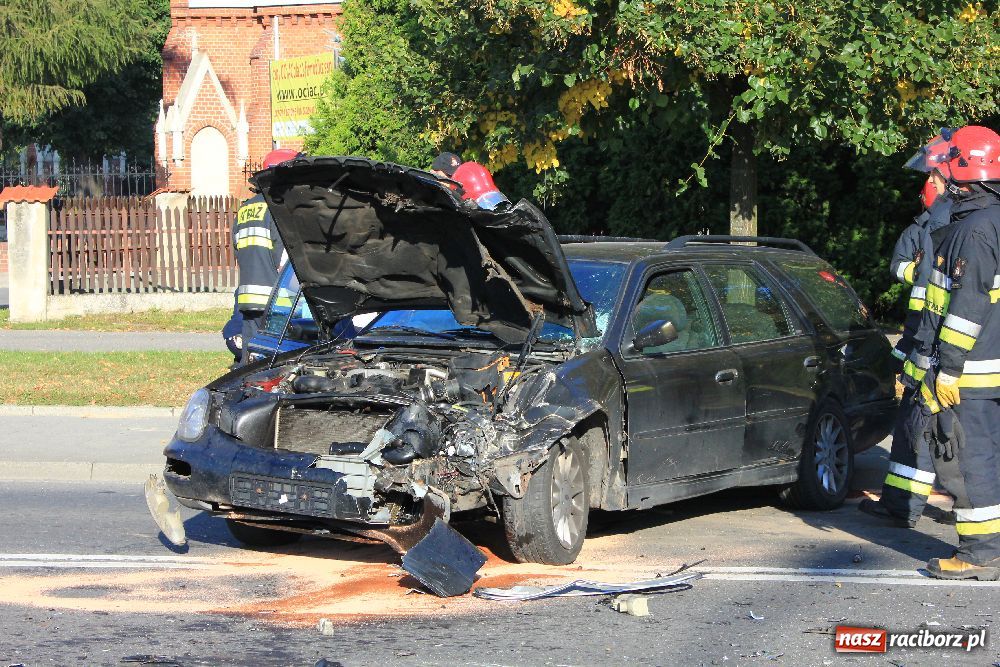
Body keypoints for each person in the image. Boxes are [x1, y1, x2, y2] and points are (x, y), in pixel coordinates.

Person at [905, 125, 1000, 580]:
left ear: (964, 167)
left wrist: (948, 369)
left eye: (944, 164)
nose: (937, 173)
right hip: (989, 366)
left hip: (971, 373)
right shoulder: (991, 219)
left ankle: (980, 555)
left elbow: (966, 306)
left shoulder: (975, 231)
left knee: (965, 458)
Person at [859, 144, 955, 528]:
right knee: (955, 430)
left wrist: (912, 350)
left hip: (930, 344)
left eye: (932, 177)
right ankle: (962, 504)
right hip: (946, 345)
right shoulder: (974, 224)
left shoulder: (938, 226)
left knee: (916, 426)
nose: (927, 183)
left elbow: (931, 301)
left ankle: (903, 506)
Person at [232, 148, 300, 363]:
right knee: (278, 361)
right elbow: (285, 260)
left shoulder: (245, 209)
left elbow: (237, 249)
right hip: (276, 301)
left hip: (248, 298)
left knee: (251, 362)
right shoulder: (277, 208)